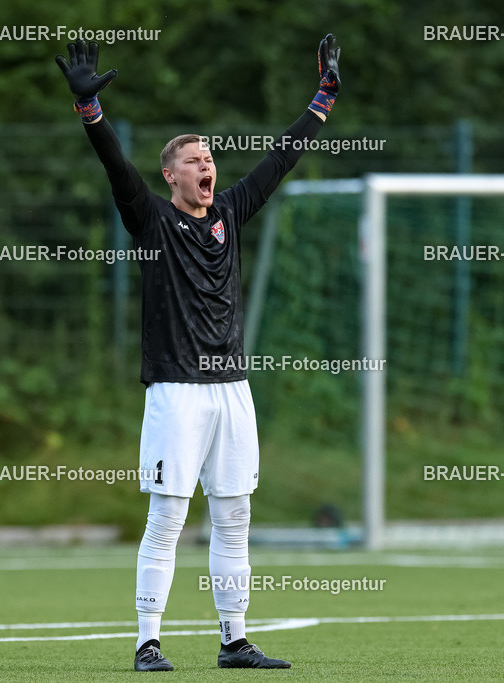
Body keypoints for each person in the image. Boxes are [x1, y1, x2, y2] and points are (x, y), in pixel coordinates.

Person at [56, 33, 340, 672]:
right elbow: (115, 170)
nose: (207, 165)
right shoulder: (151, 220)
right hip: (176, 391)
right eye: (194, 159)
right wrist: (90, 113)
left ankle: (234, 639)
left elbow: (280, 159)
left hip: (231, 389)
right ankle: (147, 641)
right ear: (171, 174)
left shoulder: (231, 213)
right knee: (168, 517)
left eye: (210, 156)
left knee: (234, 515)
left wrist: (322, 97)